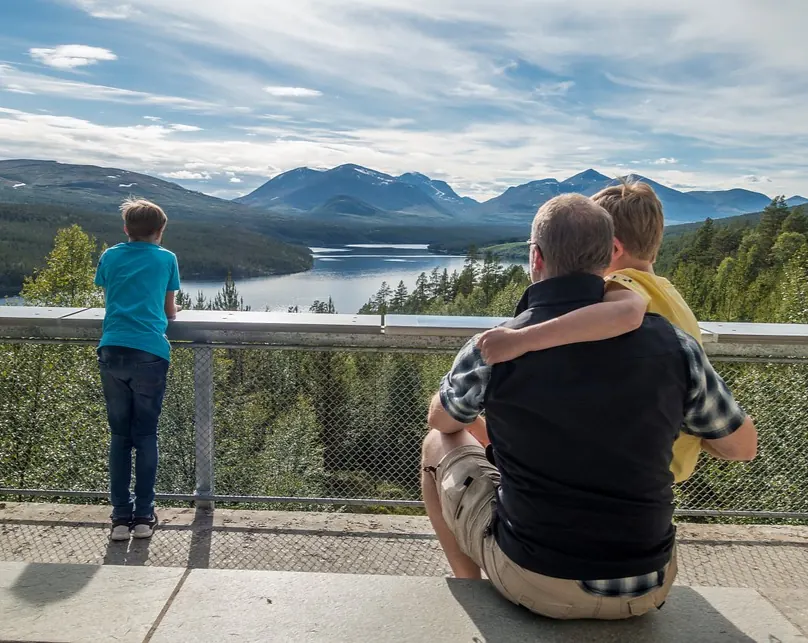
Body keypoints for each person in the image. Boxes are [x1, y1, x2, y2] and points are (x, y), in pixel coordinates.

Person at [422, 193, 757, 620]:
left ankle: (474, 592)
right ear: (608, 256)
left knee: (438, 442)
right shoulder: (676, 346)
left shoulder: (496, 346)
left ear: (536, 257)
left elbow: (443, 419)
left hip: (537, 580)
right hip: (649, 584)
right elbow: (742, 447)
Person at [477, 181, 704, 483]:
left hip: (647, 452)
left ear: (612, 248)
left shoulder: (626, 284)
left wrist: (522, 339)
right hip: (669, 451)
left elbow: (625, 313)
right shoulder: (667, 292)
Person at [94, 198, 181, 541]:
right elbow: (169, 311)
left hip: (112, 349)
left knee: (120, 436)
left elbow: (111, 294)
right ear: (160, 230)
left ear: (126, 229)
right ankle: (144, 516)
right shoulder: (166, 258)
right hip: (150, 353)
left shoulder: (111, 256)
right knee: (145, 436)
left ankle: (119, 518)